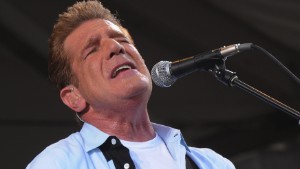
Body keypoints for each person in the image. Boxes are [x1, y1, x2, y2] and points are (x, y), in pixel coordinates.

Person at [26, 1, 235, 169]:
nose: (115, 47)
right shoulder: (57, 164)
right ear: (74, 97)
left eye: (122, 40)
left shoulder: (214, 164)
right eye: (92, 50)